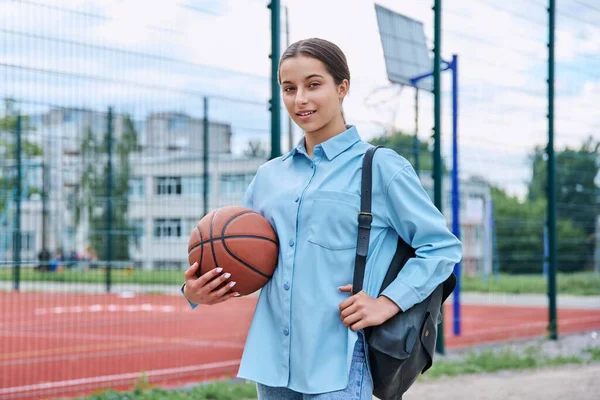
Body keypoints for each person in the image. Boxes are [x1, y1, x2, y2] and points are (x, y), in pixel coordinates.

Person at [182, 37, 462, 399]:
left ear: (342, 87)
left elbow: (441, 247)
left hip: (341, 360)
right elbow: (243, 254)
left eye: (314, 85)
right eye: (289, 88)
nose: (300, 99)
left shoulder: (380, 167)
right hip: (272, 362)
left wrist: (386, 302)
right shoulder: (269, 177)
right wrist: (195, 291)